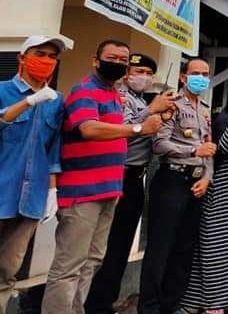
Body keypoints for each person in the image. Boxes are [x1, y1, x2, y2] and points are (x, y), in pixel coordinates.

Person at [42, 40, 162, 314]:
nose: (118, 63)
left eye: (123, 59)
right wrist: (139, 127)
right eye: (112, 58)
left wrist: (117, 188)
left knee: (92, 260)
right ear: (95, 60)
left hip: (109, 190)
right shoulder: (85, 90)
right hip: (82, 192)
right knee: (69, 266)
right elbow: (89, 129)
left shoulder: (113, 95)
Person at [85, 54, 177, 314]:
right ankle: (93, 304)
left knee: (120, 248)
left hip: (136, 179)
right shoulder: (120, 98)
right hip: (116, 176)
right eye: (139, 70)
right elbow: (119, 128)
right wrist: (151, 111)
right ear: (126, 73)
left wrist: (161, 118)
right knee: (102, 248)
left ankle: (105, 302)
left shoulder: (140, 100)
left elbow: (149, 135)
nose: (144, 76)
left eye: (149, 72)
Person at [139, 58, 217, 314]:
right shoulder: (171, 104)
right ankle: (149, 307)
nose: (201, 78)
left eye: (205, 74)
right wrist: (193, 149)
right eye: (196, 73)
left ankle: (171, 305)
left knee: (184, 250)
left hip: (197, 183)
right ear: (184, 77)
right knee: (161, 248)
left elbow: (210, 150)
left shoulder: (204, 109)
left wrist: (207, 178)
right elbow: (159, 144)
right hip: (172, 179)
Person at [0, 36, 67, 311]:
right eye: (40, 54)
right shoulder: (3, 90)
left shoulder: (56, 101)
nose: (47, 61)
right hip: (2, 188)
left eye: (52, 56)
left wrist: (52, 191)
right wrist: (29, 102)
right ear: (22, 57)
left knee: (7, 268)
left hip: (31, 198)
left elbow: (53, 152)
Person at [181, 79, 228, 314]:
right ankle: (208, 302)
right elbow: (224, 147)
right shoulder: (223, 119)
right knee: (213, 245)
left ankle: (221, 301)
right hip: (221, 187)